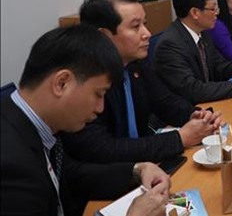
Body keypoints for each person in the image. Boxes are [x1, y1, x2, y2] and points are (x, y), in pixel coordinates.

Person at [1, 25, 170, 216]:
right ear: (62, 83)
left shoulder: (33, 124)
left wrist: (138, 170)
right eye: (98, 94)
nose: (100, 108)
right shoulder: (11, 163)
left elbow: (71, 175)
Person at [62, 0, 221, 164]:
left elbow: (165, 101)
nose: (147, 34)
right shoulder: (85, 82)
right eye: (135, 27)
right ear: (104, 36)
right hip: (114, 180)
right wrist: (180, 138)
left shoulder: (135, 65)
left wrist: (196, 116)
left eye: (144, 24)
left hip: (146, 167)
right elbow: (102, 148)